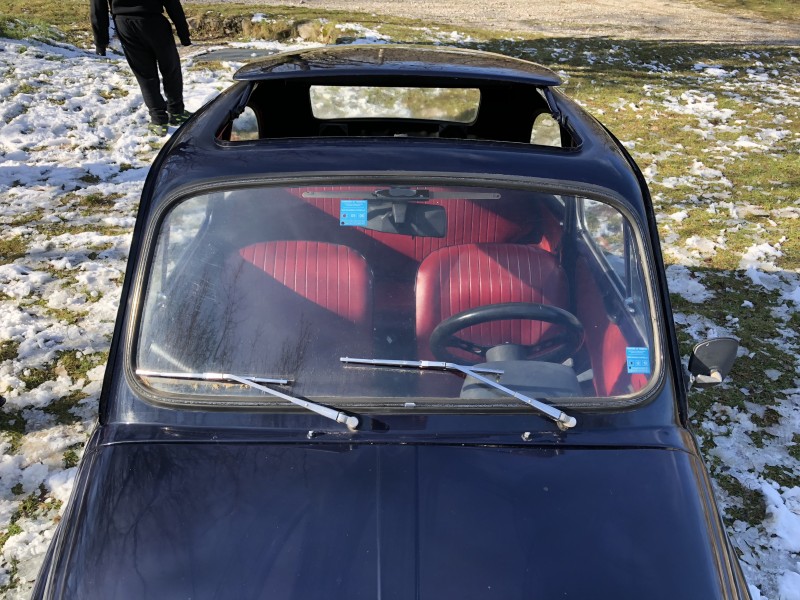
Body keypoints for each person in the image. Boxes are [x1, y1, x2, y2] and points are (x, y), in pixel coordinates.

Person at [91, 0, 192, 135]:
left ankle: (159, 121)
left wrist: (100, 42)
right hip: (154, 21)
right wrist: (183, 34)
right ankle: (176, 112)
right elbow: (172, 3)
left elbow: (98, 7)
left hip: (125, 25)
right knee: (170, 68)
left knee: (145, 75)